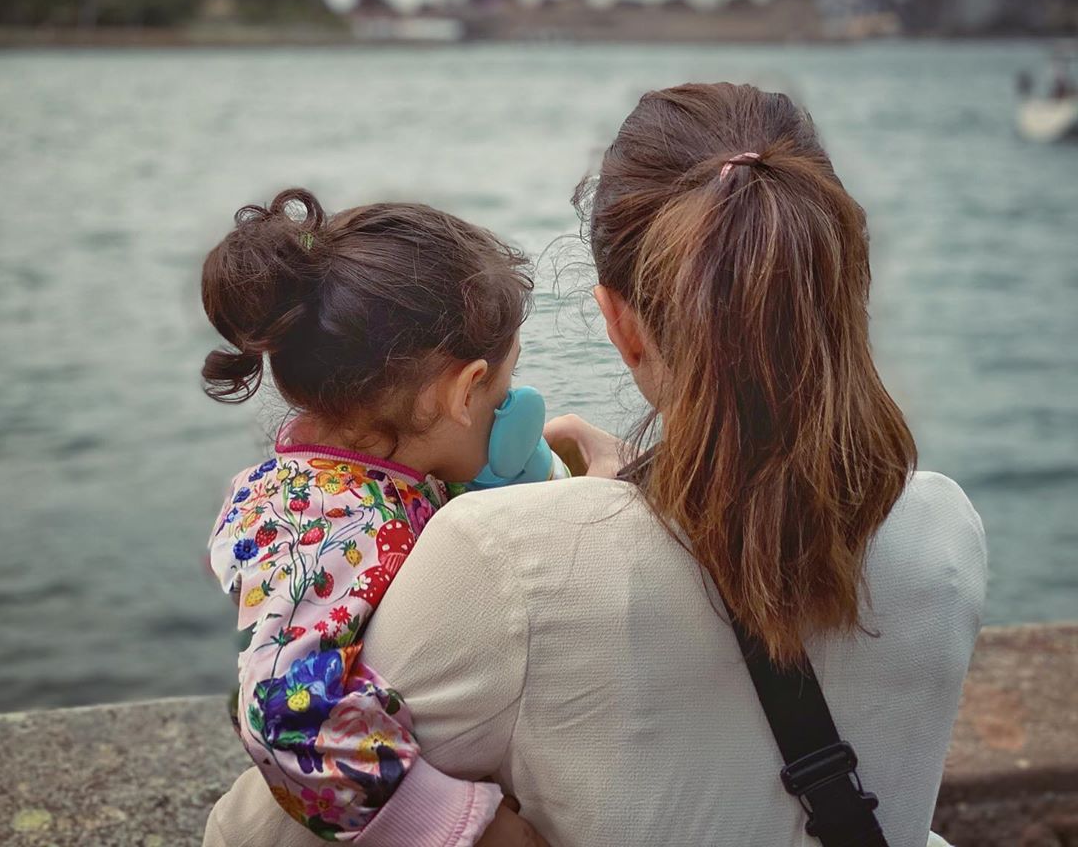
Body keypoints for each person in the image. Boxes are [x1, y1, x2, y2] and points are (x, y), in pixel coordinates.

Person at [205, 84, 987, 847]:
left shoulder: (498, 559)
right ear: (841, 281)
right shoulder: (948, 530)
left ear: (619, 320)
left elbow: (259, 822)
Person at [201, 188, 547, 845]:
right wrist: (464, 826)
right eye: (502, 398)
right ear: (463, 391)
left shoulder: (332, 484)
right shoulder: (348, 526)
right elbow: (286, 718)